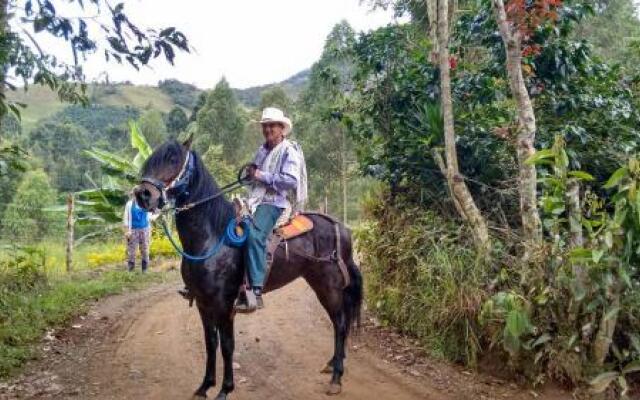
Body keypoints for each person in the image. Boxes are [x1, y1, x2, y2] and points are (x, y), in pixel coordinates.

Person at [235, 107, 307, 311]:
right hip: (256, 199)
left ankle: (256, 290)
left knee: (255, 236)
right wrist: (251, 175)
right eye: (265, 126)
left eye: (272, 126)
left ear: (282, 128)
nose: (268, 129)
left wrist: (260, 176)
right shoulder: (263, 149)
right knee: (231, 228)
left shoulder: (288, 151)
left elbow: (290, 181)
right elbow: (255, 174)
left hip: (274, 202)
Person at [123, 192, 157, 272]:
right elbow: (126, 218)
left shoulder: (146, 203)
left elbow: (151, 216)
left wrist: (156, 215)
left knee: (145, 249)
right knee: (131, 250)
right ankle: (131, 269)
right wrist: (127, 231)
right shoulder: (129, 204)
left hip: (145, 229)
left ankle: (144, 269)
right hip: (133, 230)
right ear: (134, 195)